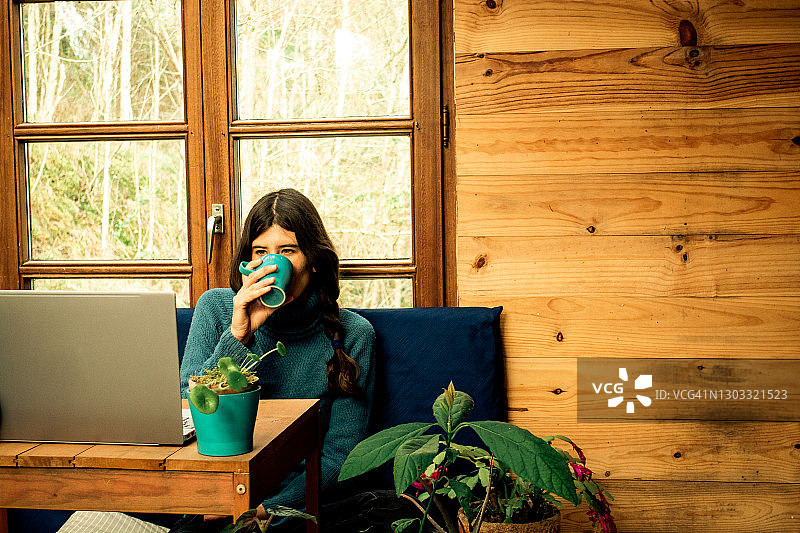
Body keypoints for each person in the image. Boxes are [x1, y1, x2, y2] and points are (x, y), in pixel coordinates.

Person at [173, 188, 376, 532]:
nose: (273, 262)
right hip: (215, 496)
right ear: (247, 263)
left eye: (287, 251)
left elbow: (342, 456)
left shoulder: (354, 335)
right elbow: (188, 406)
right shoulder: (218, 309)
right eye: (260, 251)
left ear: (313, 258)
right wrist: (240, 334)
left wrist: (261, 510)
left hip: (295, 507)